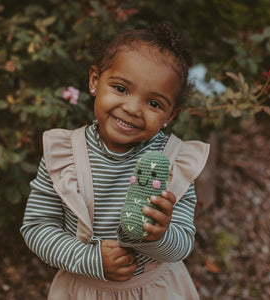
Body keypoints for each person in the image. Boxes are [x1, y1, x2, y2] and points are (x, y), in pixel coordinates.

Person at [21, 23, 210, 299]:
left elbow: (182, 245)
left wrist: (160, 235)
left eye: (154, 104)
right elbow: (37, 228)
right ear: (95, 81)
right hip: (84, 288)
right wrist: (90, 259)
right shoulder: (65, 154)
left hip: (154, 289)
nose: (132, 108)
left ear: (172, 113)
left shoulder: (173, 162)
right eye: (121, 88)